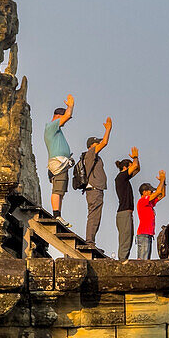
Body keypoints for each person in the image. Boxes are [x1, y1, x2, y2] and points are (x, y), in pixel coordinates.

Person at [81, 116, 112, 246]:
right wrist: (108, 129)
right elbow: (104, 143)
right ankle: (89, 241)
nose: (98, 144)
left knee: (95, 216)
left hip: (95, 190)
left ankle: (91, 240)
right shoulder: (90, 154)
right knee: (94, 216)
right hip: (94, 190)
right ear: (91, 146)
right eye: (96, 143)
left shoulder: (93, 156)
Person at [44, 94, 75, 223]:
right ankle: (56, 215)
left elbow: (66, 117)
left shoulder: (56, 130)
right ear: (58, 116)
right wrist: (71, 106)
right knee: (57, 189)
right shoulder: (51, 126)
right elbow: (67, 116)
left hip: (62, 163)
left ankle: (58, 214)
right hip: (58, 163)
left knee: (60, 190)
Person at [113, 146, 140, 259]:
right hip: (123, 213)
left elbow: (137, 168)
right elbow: (135, 167)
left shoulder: (125, 178)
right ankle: (122, 260)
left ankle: (124, 258)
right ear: (125, 167)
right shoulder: (121, 177)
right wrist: (135, 157)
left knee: (128, 236)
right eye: (129, 166)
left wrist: (135, 160)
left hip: (126, 213)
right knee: (125, 237)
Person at [135, 169, 165, 260]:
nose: (152, 193)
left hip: (148, 234)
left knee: (146, 259)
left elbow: (162, 195)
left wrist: (163, 182)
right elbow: (158, 192)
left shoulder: (149, 203)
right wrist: (162, 180)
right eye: (150, 191)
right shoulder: (142, 201)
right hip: (144, 234)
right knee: (143, 260)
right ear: (144, 192)